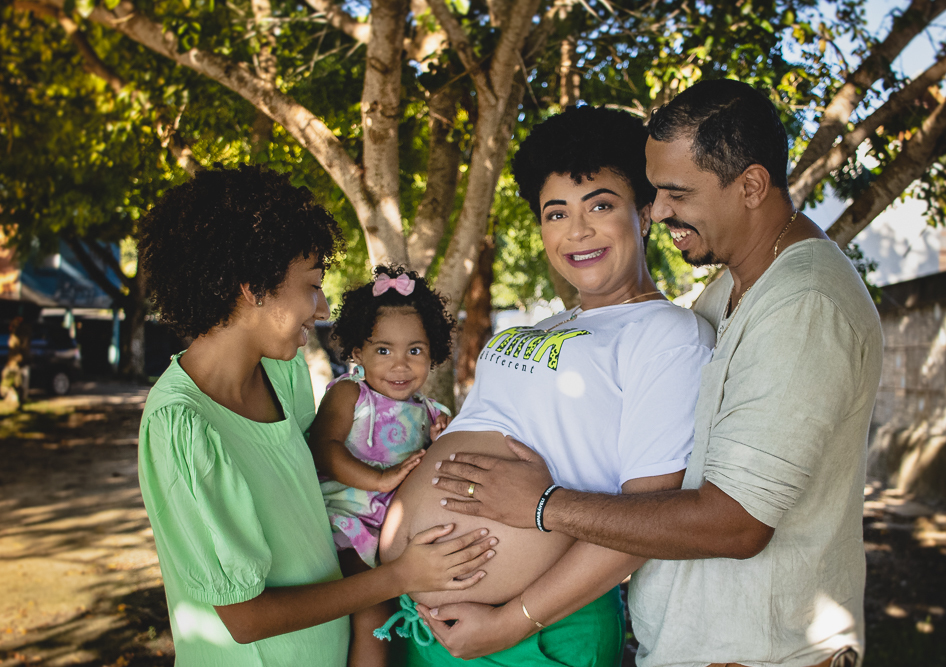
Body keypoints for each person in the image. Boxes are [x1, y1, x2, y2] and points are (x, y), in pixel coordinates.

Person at [430, 79, 883, 666]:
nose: (659, 209)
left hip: (762, 655)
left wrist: (544, 506)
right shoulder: (735, 288)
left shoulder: (804, 304)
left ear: (750, 186)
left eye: (676, 193)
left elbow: (736, 524)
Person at [376, 105, 715, 666]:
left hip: (531, 631)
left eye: (600, 205)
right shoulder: (546, 325)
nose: (577, 231)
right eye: (556, 213)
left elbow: (649, 517)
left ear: (645, 213)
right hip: (425, 623)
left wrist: (510, 623)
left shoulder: (667, 335)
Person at [136, 165, 497, 667]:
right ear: (253, 288)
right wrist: (399, 576)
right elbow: (245, 620)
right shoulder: (181, 424)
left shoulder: (280, 372)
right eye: (312, 286)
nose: (323, 307)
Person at [309, 265, 455, 667]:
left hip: (396, 531)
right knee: (372, 611)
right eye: (384, 350)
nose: (400, 365)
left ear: (433, 353)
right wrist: (380, 479)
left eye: (415, 351)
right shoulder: (350, 394)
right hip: (347, 521)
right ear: (358, 352)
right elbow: (324, 448)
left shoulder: (431, 412)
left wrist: (441, 443)